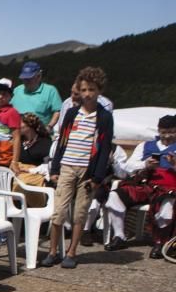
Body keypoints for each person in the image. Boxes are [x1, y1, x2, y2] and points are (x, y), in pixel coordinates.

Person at [42, 68, 114, 268]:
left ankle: (72, 252)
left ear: (99, 91)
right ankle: (53, 251)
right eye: (84, 89)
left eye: (92, 89)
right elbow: (62, 141)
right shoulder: (72, 113)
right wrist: (55, 168)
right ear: (79, 91)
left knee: (80, 213)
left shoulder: (104, 117)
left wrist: (98, 177)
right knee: (59, 212)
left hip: (87, 171)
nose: (88, 94)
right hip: (67, 166)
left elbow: (104, 148)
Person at [104, 114, 176, 258]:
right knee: (115, 196)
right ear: (158, 131)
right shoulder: (145, 146)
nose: (167, 136)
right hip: (146, 185)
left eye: (171, 132)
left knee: (166, 208)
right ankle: (119, 236)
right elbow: (128, 167)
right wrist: (145, 164)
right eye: (163, 132)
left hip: (170, 188)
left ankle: (160, 241)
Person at [11, 61, 62, 128]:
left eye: (29, 79)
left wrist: (49, 126)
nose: (26, 81)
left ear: (38, 76)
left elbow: (57, 111)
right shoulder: (17, 90)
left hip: (40, 134)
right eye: (24, 79)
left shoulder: (50, 90)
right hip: (18, 132)